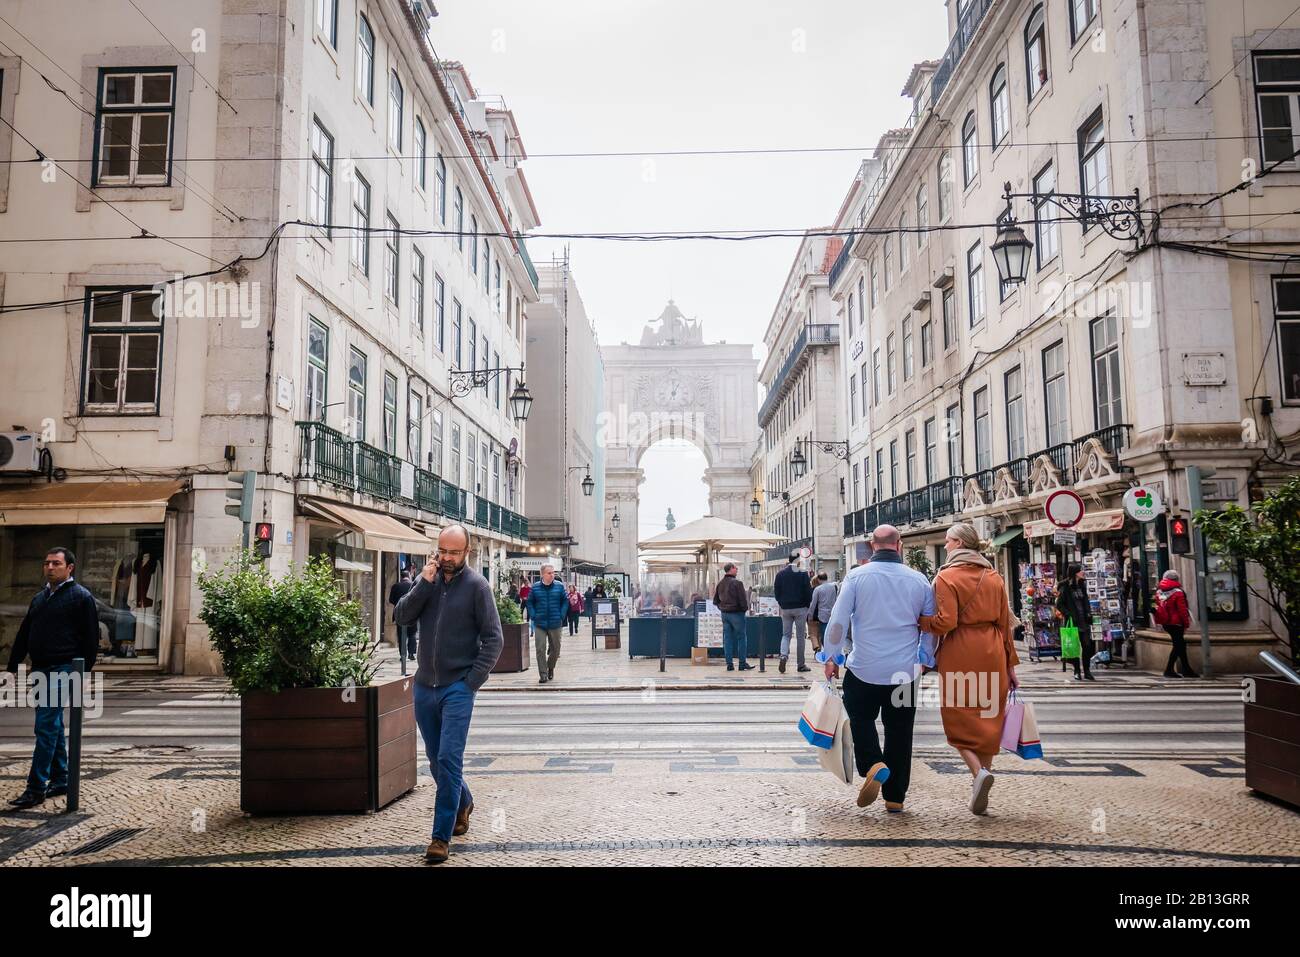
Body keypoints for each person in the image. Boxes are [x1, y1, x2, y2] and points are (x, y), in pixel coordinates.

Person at [395, 525, 502, 864]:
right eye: (443, 550)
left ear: (466, 553)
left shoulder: (477, 587)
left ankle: (440, 838)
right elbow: (401, 616)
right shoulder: (428, 581)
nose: (447, 558)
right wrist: (423, 583)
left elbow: (494, 639)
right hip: (425, 686)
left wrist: (470, 682)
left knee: (448, 759)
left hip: (457, 688)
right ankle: (464, 800)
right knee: (434, 759)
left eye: (454, 552)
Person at [822, 525, 935, 814]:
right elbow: (930, 625)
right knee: (900, 732)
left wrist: (831, 657)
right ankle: (895, 797)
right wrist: (924, 657)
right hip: (905, 672)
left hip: (864, 668)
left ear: (873, 545)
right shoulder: (919, 580)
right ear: (899, 546)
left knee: (859, 719)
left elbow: (838, 620)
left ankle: (873, 763)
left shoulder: (857, 577)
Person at [919, 523, 1020, 817]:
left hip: (961, 651)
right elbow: (1005, 625)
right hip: (992, 651)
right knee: (989, 719)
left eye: (949, 541)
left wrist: (922, 622)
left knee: (957, 719)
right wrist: (1011, 665)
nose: (946, 545)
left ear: (960, 543)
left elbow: (946, 622)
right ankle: (982, 777)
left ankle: (978, 773)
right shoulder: (993, 576)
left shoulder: (946, 577)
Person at [2, 547, 100, 809]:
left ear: (70, 568)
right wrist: (12, 665)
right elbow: (25, 633)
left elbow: (91, 638)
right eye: (46, 563)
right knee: (53, 724)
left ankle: (35, 788)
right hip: (40, 669)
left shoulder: (81, 597)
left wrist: (83, 672)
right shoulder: (40, 597)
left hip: (63, 668)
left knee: (44, 726)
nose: (50, 567)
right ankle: (61, 778)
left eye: (56, 563)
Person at [526, 564, 568, 684]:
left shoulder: (559, 587)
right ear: (542, 575)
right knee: (540, 648)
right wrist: (533, 615)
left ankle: (550, 667)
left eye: (553, 572)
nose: (552, 575)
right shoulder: (535, 588)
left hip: (555, 622)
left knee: (556, 649)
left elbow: (565, 601)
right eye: (549, 573)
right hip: (540, 623)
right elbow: (529, 602)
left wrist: (562, 614)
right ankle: (543, 674)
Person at [1055, 563, 1096, 681]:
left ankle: (1087, 671)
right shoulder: (1065, 587)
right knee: (1074, 647)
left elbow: (1086, 601)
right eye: (1080, 571)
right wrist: (1069, 614)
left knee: (1087, 646)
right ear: (1075, 573)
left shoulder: (1082, 586)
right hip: (1073, 622)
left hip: (1084, 621)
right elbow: (1059, 604)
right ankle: (1077, 670)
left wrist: (1088, 612)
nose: (1083, 572)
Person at [773, 553, 813, 673]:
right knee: (801, 636)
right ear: (798, 561)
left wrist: (781, 602)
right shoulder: (802, 573)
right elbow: (808, 592)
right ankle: (800, 664)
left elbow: (776, 591)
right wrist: (807, 604)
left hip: (785, 608)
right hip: (800, 608)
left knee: (786, 635)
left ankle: (783, 656)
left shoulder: (780, 574)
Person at [1154, 569, 1198, 678]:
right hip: (1177, 623)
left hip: (1166, 622)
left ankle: (1186, 669)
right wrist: (1186, 623)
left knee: (1181, 645)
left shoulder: (1159, 591)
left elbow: (1158, 606)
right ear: (1176, 579)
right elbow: (1183, 610)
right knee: (1178, 645)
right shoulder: (1178, 592)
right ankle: (1169, 669)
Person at [712, 563, 753, 672]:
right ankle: (742, 663)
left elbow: (715, 601)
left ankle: (729, 664)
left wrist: (721, 608)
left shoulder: (720, 584)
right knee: (741, 638)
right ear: (730, 569)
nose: (737, 569)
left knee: (727, 639)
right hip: (737, 614)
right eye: (735, 568)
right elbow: (743, 601)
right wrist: (744, 610)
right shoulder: (737, 583)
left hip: (725, 614)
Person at [389, 568, 418, 659]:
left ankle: (403, 655)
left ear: (401, 577)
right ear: (409, 576)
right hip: (412, 613)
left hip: (399, 613)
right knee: (412, 634)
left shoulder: (396, 586)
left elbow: (391, 600)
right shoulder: (414, 585)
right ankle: (411, 653)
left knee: (401, 635)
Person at [806, 572, 837, 652]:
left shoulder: (818, 589)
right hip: (832, 613)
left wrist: (810, 616)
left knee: (823, 634)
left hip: (822, 615)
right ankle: (830, 649)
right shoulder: (833, 587)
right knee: (829, 633)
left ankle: (827, 651)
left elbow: (813, 604)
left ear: (819, 580)